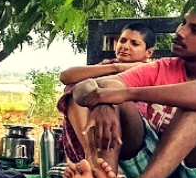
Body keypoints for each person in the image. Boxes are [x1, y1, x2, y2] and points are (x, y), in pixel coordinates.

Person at [63, 11, 196, 178]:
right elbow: (82, 88)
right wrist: (103, 103)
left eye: (195, 30)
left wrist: (125, 93)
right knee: (113, 100)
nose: (180, 32)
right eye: (183, 23)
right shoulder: (162, 67)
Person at [56, 22, 156, 164]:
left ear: (149, 53)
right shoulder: (109, 65)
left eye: (134, 43)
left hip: (134, 139)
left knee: (112, 89)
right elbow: (66, 77)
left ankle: (98, 162)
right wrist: (116, 67)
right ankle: (90, 156)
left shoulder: (152, 70)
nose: (125, 46)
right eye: (122, 40)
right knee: (75, 88)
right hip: (98, 135)